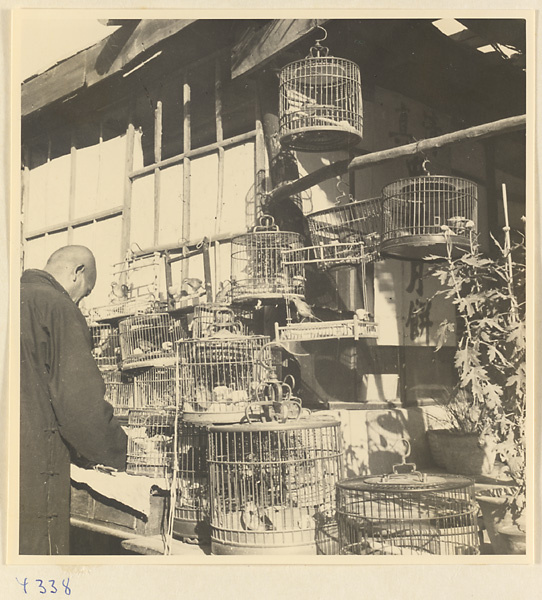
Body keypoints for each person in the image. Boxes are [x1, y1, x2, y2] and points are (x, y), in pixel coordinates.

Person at [20, 245, 127, 555]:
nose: (80, 299)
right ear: (77, 272)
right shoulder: (58, 306)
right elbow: (81, 409)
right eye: (86, 291)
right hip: (34, 466)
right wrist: (121, 451)